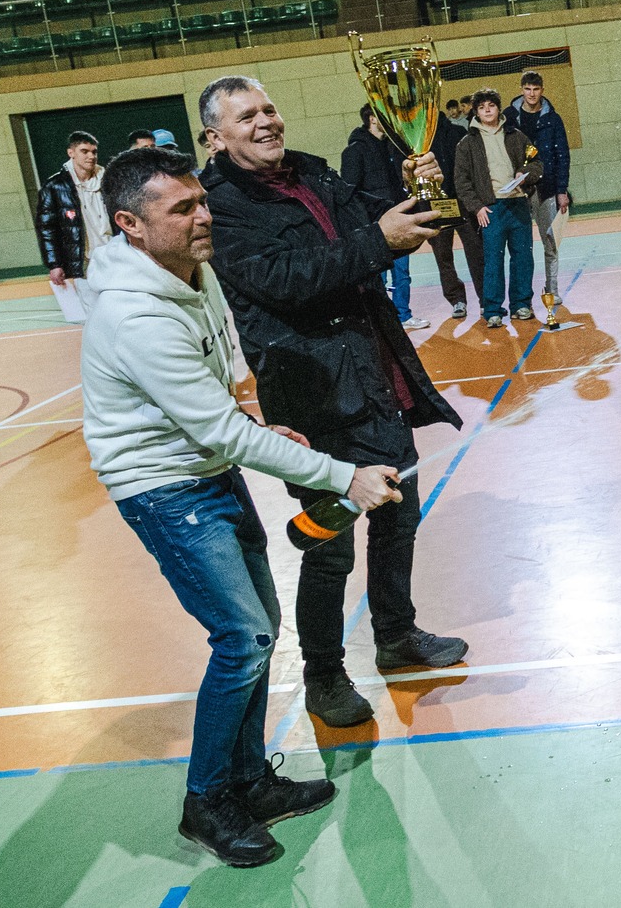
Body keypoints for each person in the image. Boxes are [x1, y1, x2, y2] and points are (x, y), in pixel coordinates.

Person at [82, 145, 403, 866]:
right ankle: (206, 801)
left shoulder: (189, 272)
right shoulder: (136, 315)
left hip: (206, 464)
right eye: (183, 208)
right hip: (163, 487)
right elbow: (216, 428)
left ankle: (251, 779)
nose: (205, 215)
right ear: (130, 223)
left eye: (202, 201)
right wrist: (343, 474)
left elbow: (219, 401)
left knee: (258, 626)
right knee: (244, 637)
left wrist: (250, 427)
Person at [197, 76, 466, 730]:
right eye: (247, 115)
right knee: (331, 545)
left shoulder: (311, 171)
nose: (266, 120)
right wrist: (378, 238)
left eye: (270, 106)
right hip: (312, 396)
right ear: (216, 137)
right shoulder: (219, 206)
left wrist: (414, 182)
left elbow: (370, 213)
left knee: (399, 512)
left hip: (374, 373)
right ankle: (323, 673)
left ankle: (396, 635)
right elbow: (285, 280)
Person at [454, 88, 542, 327]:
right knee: (493, 261)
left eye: (490, 106)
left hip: (518, 205)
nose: (487, 111)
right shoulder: (467, 143)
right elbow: (461, 181)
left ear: (497, 108)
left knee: (523, 257)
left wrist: (525, 174)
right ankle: (492, 310)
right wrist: (477, 208)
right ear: (476, 112)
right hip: (491, 209)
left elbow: (536, 163)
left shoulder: (516, 135)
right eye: (481, 108)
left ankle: (522, 304)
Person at [340, 106, 428, 332]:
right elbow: (349, 191)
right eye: (385, 117)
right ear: (372, 119)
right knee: (376, 277)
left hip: (399, 220)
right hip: (373, 226)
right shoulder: (354, 151)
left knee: (402, 274)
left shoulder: (394, 148)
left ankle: (404, 315)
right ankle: (380, 320)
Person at [508, 72, 572, 308]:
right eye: (527, 89)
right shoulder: (509, 117)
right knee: (521, 246)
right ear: (522, 90)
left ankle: (552, 290)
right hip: (517, 190)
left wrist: (562, 190)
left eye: (536, 89)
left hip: (546, 189)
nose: (531, 94)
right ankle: (523, 297)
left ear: (542, 90)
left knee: (550, 241)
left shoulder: (553, 119)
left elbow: (562, 156)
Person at [37, 131, 110, 320]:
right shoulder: (54, 186)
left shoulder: (109, 180)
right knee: (95, 315)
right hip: (85, 260)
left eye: (94, 152)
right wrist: (55, 264)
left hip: (114, 254)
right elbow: (47, 228)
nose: (91, 156)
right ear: (71, 153)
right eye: (84, 151)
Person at [428, 109, 482, 320]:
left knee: (476, 251)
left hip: (462, 201)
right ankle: (456, 299)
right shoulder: (419, 140)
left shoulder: (458, 132)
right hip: (435, 205)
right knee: (442, 255)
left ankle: (485, 300)